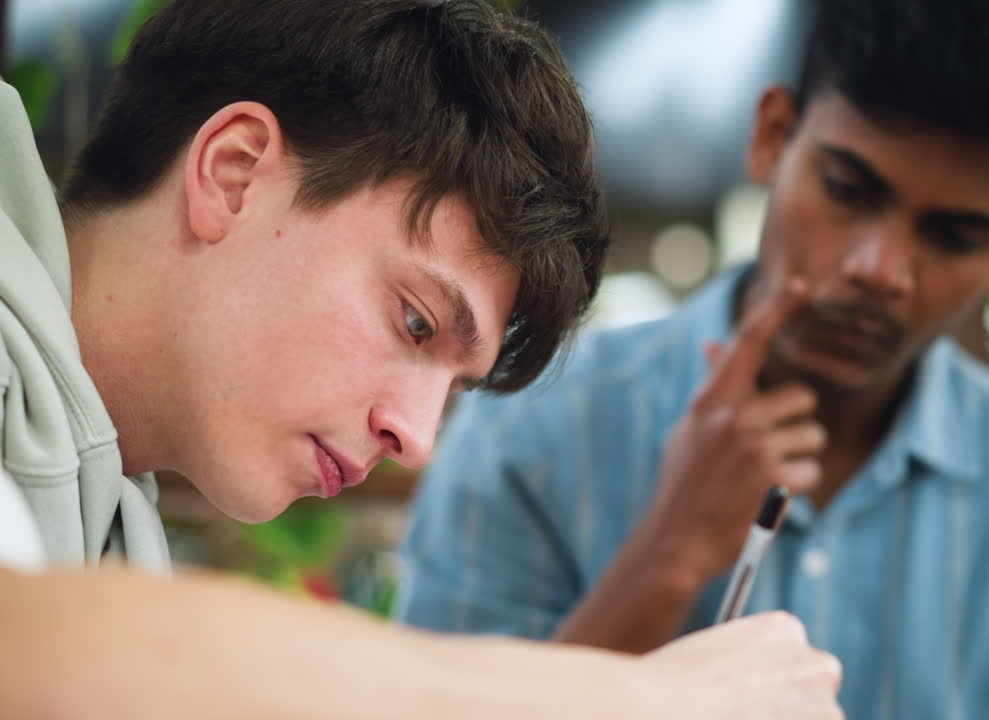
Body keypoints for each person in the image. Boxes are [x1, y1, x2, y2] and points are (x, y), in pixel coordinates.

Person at [0, 0, 843, 717]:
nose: (416, 438)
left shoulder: (101, 521)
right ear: (235, 173)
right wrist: (640, 700)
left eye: (455, 385)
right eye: (413, 322)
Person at [396, 0, 989, 716]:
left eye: (955, 236)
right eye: (849, 189)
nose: (880, 268)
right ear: (772, 135)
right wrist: (668, 557)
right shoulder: (532, 433)